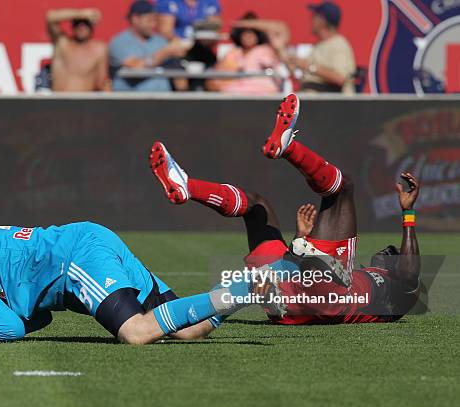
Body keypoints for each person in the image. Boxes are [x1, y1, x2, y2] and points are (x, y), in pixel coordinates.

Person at [149, 93, 422, 325]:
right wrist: (300, 246)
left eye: (394, 253)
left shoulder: (400, 291)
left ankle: (288, 147)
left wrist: (408, 215)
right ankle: (188, 186)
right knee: (258, 208)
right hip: (292, 303)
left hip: (330, 298)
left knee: (342, 189)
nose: (389, 250)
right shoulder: (375, 283)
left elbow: (410, 274)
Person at [0, 220, 280, 344]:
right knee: (189, 331)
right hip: (89, 239)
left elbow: (8, 329)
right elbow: (37, 320)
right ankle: (283, 268)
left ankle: (247, 285)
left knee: (136, 334)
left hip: (73, 259)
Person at [109, 0, 187, 92]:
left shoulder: (160, 41)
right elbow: (137, 67)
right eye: (149, 20)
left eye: (155, 21)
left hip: (163, 101)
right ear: (135, 19)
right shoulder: (119, 42)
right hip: (131, 101)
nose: (153, 25)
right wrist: (165, 53)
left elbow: (176, 71)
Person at [280, 1, 356, 94]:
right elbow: (307, 82)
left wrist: (308, 66)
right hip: (312, 100)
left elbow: (339, 78)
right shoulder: (320, 45)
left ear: (322, 20)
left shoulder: (338, 44)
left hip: (329, 105)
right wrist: (291, 66)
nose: (311, 19)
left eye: (314, 16)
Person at [207, 12, 281, 95]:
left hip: (264, 96)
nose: (248, 35)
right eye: (245, 32)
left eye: (252, 32)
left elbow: (279, 29)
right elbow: (214, 81)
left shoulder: (267, 50)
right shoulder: (233, 53)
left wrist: (242, 24)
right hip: (236, 97)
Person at [46, 8, 109, 92]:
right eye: (77, 23)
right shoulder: (62, 43)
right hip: (58, 101)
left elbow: (101, 83)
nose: (81, 27)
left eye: (85, 24)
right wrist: (82, 14)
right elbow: (50, 17)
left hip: (84, 102)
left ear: (91, 28)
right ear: (72, 27)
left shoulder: (99, 49)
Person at [156, 0, 222, 41]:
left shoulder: (210, 2)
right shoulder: (168, 2)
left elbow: (214, 27)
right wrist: (183, 44)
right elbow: (166, 32)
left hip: (201, 46)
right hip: (176, 47)